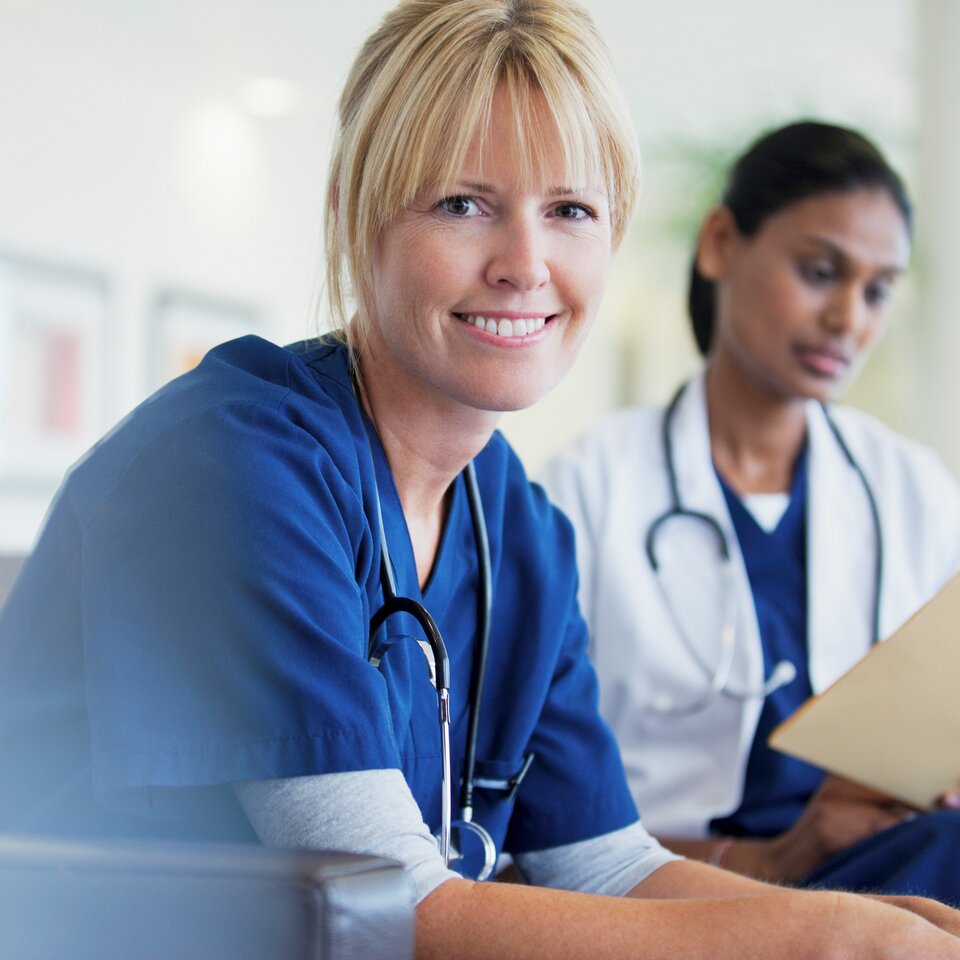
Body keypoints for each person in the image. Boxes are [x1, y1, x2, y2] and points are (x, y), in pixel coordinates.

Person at [2, 5, 960, 954]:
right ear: (351, 208)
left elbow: (603, 865)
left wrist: (874, 923)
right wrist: (830, 940)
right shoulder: (231, 462)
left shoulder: (519, 526)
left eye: (571, 212)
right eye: (463, 203)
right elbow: (394, 910)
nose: (525, 265)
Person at [542, 120, 960, 901]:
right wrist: (778, 858)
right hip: (685, 893)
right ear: (721, 243)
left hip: (902, 871)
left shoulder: (914, 490)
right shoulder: (587, 489)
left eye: (877, 290)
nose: (849, 318)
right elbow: (540, 824)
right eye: (819, 270)